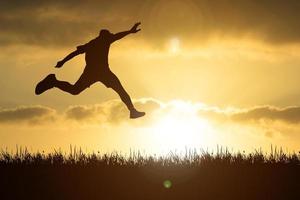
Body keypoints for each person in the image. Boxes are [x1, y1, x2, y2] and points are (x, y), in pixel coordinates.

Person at [35, 22, 145, 119]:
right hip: (95, 73)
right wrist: (130, 31)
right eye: (109, 36)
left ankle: (132, 111)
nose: (111, 37)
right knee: (76, 90)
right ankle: (53, 82)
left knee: (76, 90)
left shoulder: (92, 44)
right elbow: (117, 36)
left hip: (102, 73)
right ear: (104, 36)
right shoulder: (102, 41)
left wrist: (63, 62)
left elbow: (75, 53)